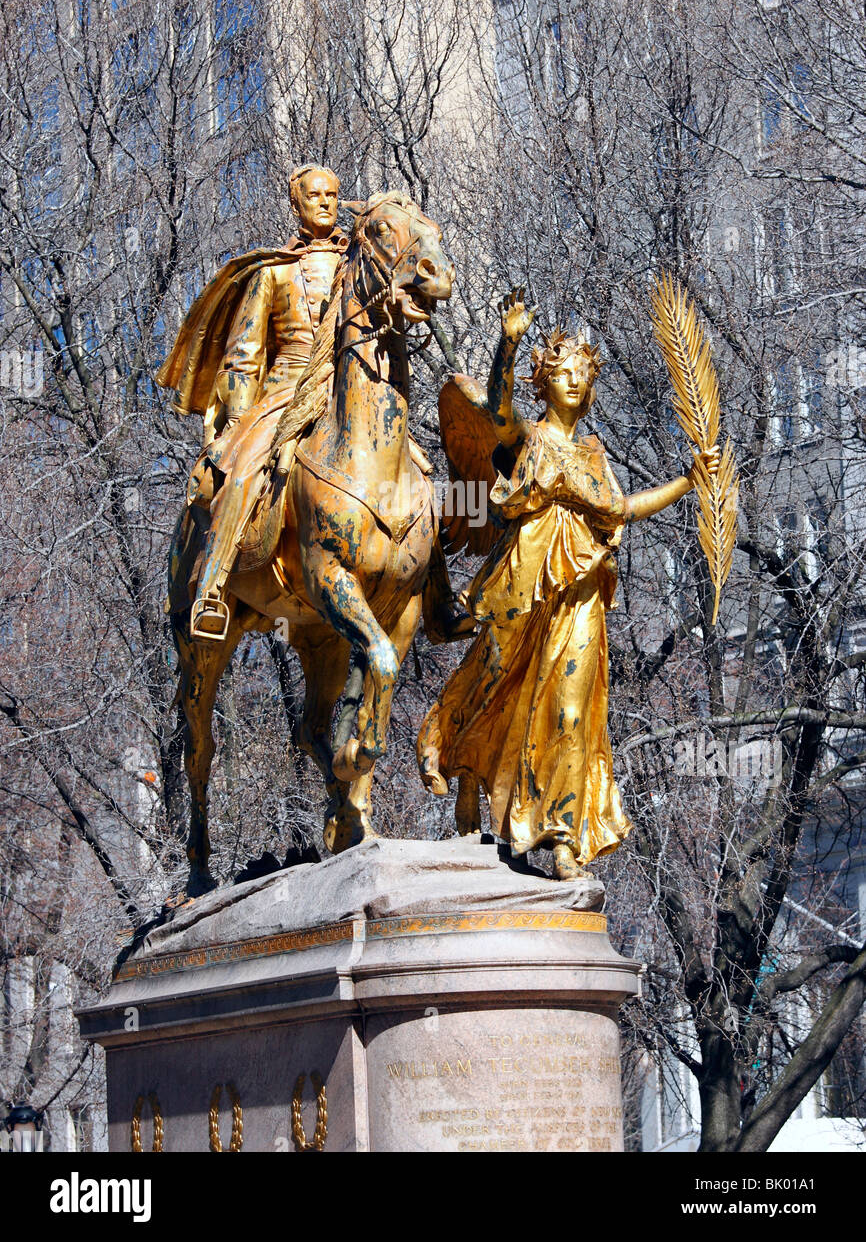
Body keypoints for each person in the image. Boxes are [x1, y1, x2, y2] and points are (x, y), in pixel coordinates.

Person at [418, 290, 719, 878]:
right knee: (493, 683)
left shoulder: (593, 454)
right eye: (564, 373)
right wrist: (507, 342)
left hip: (582, 594)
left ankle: (559, 836)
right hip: (524, 587)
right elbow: (497, 408)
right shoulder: (526, 438)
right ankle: (464, 761)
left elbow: (623, 510)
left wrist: (687, 480)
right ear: (544, 382)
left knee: (573, 716)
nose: (576, 383)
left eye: (585, 374)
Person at [158, 165, 347, 640]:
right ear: (296, 203)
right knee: (241, 472)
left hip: (344, 390)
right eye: (314, 195)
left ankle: (437, 593)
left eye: (332, 195)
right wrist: (241, 418)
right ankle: (212, 587)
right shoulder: (273, 272)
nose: (325, 202)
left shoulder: (356, 266)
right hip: (283, 395)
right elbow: (243, 353)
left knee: (417, 470)